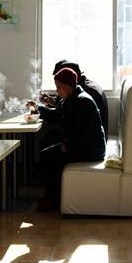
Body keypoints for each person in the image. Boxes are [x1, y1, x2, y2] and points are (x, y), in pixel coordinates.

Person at [34, 67, 106, 211]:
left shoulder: (83, 101)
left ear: (68, 86)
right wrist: (37, 108)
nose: (57, 91)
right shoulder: (73, 98)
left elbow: (83, 134)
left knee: (49, 156)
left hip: (91, 149)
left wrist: (66, 146)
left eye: (59, 87)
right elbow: (57, 116)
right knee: (47, 152)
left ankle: (53, 200)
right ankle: (52, 196)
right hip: (83, 145)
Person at [52, 60, 109, 134]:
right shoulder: (84, 87)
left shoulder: (88, 92)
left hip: (90, 138)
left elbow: (67, 114)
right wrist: (55, 101)